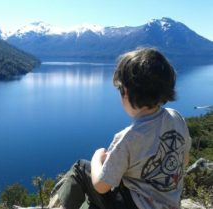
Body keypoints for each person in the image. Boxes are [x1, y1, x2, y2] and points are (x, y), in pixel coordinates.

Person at [48, 48, 191, 209]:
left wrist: (97, 157)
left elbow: (101, 186)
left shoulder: (128, 138)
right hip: (170, 204)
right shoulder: (176, 118)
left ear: (126, 93)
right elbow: (184, 160)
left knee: (80, 168)